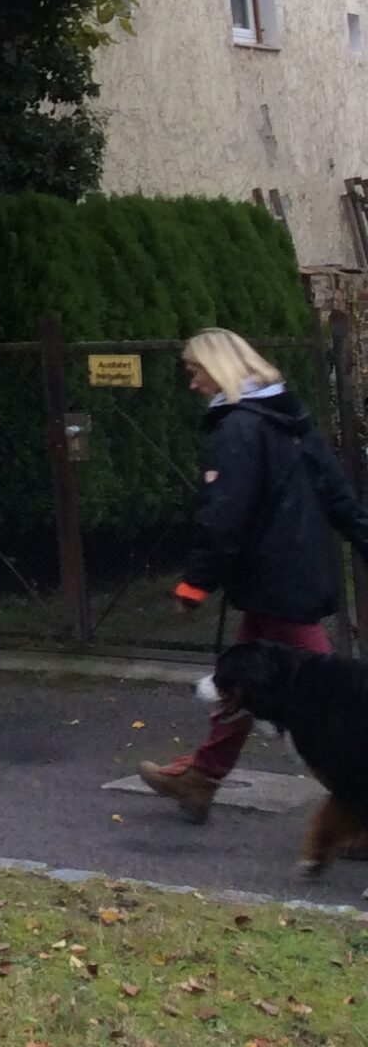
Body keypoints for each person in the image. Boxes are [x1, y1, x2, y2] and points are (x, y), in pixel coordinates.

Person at [140, 328, 368, 821]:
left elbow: (225, 515)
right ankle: (203, 777)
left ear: (218, 367)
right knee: (243, 678)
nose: (192, 383)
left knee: (329, 700)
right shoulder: (287, 417)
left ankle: (353, 804)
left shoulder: (239, 429)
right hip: (290, 575)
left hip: (274, 581)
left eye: (194, 370)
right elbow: (336, 492)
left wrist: (194, 584)